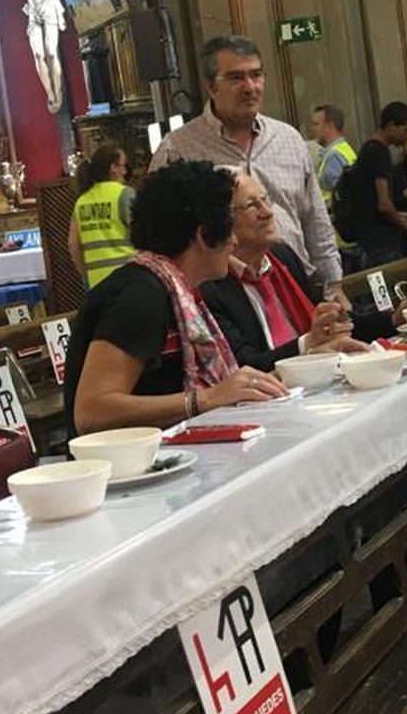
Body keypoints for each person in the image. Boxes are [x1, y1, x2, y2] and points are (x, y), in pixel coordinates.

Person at [64, 161, 288, 437]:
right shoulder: (140, 295)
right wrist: (205, 398)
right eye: (228, 229)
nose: (234, 241)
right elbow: (90, 412)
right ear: (204, 235)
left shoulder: (177, 289)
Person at [150, 35, 342, 287]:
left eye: (256, 75)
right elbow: (160, 241)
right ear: (211, 86)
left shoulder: (288, 139)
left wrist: (333, 283)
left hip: (296, 287)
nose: (250, 87)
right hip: (224, 300)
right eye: (236, 77)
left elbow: (316, 223)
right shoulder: (177, 151)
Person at [203, 172, 373, 371]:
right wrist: (307, 344)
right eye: (251, 206)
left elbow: (333, 326)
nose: (267, 212)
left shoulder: (282, 257)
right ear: (223, 221)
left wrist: (396, 316)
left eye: (265, 200)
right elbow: (243, 364)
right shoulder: (211, 283)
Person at [335, 101, 407, 267]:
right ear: (391, 125)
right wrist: (406, 225)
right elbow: (384, 204)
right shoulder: (379, 153)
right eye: (406, 130)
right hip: (381, 243)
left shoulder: (368, 149)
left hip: (367, 239)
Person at [67, 144, 135, 289]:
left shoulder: (81, 201)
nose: (125, 171)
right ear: (113, 167)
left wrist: (86, 275)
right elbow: (143, 237)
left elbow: (73, 245)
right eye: (123, 165)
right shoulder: (124, 195)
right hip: (128, 279)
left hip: (96, 283)